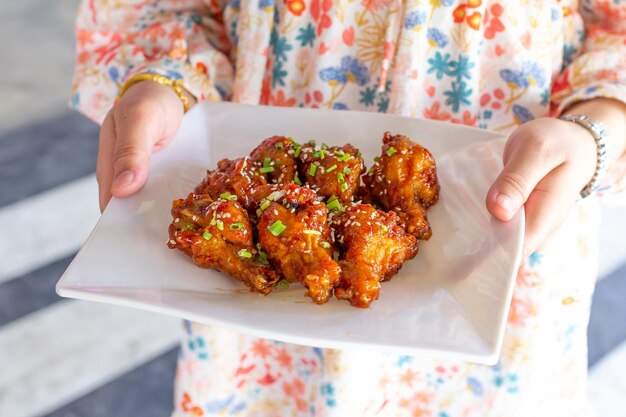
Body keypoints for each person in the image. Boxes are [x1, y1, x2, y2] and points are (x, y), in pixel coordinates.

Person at [71, 0, 626, 415]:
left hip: (499, 240)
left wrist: (599, 124)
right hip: (257, 321)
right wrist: (163, 82)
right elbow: (166, 11)